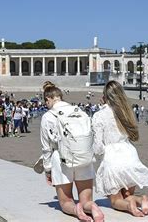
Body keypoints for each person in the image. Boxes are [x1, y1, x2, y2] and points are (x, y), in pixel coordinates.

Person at [40, 81, 104, 222]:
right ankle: (92, 207)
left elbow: (46, 148)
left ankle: (76, 210)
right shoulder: (79, 111)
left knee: (66, 201)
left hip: (61, 159)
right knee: (86, 199)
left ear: (48, 99)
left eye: (46, 102)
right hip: (84, 157)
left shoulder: (48, 116)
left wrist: (48, 170)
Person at [92, 81, 148, 217]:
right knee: (127, 194)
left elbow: (98, 147)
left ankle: (129, 206)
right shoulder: (126, 112)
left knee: (115, 201)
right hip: (129, 155)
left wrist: (99, 152)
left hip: (113, 157)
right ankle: (141, 200)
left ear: (105, 97)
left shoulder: (99, 115)